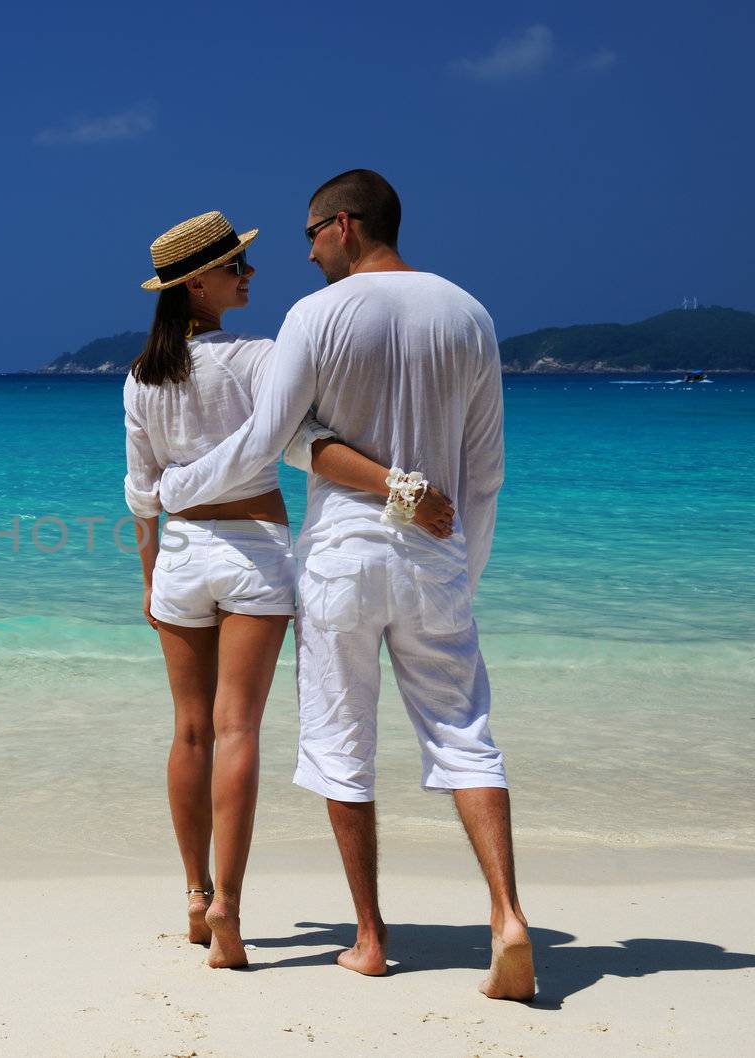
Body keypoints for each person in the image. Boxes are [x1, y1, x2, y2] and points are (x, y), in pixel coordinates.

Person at [155, 171, 533, 1000]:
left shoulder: (315, 317)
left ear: (346, 226)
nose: (305, 251)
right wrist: (463, 570)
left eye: (310, 234)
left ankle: (369, 938)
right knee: (466, 736)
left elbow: (269, 439)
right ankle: (507, 916)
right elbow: (486, 472)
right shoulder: (470, 313)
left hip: (340, 560)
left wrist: (176, 492)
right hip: (434, 556)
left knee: (339, 747)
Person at [124, 210, 454, 970]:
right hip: (253, 553)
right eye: (236, 266)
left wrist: (149, 578)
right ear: (196, 284)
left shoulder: (142, 377)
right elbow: (307, 443)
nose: (250, 275)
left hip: (180, 555)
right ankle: (231, 914)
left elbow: (142, 493)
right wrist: (401, 487)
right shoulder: (259, 357)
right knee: (237, 730)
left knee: (190, 733)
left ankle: (196, 898)